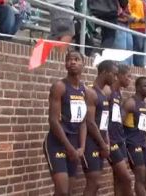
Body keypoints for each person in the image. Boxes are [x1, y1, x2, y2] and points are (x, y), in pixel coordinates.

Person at [43, 50, 87, 195]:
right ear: (65, 64)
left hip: (74, 144)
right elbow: (53, 121)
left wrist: (81, 147)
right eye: (69, 59)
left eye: (76, 59)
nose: (73, 62)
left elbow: (83, 122)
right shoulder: (60, 87)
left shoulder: (83, 90)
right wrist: (69, 148)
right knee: (62, 191)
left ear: (83, 64)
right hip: (58, 143)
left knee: (68, 192)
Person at [83, 60, 118, 195]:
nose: (115, 78)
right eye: (114, 75)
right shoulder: (91, 92)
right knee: (93, 182)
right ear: (104, 72)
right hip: (91, 143)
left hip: (101, 142)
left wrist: (107, 143)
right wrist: (103, 143)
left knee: (96, 184)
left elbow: (104, 122)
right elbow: (90, 122)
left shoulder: (104, 94)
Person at [123, 77, 146, 196]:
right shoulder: (130, 103)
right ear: (137, 87)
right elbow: (118, 124)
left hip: (143, 142)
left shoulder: (145, 104)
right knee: (140, 175)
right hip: (132, 143)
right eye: (145, 86)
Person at [107, 64, 133, 196]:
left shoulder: (118, 94)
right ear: (119, 75)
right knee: (127, 179)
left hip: (120, 138)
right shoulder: (108, 91)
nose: (130, 79)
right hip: (111, 140)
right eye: (128, 76)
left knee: (118, 179)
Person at [129, 0, 146, 67]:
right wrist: (138, 19)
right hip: (135, 27)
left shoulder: (144, 1)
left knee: (142, 49)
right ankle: (138, 67)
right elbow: (128, 11)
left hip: (144, 29)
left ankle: (140, 67)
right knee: (137, 48)